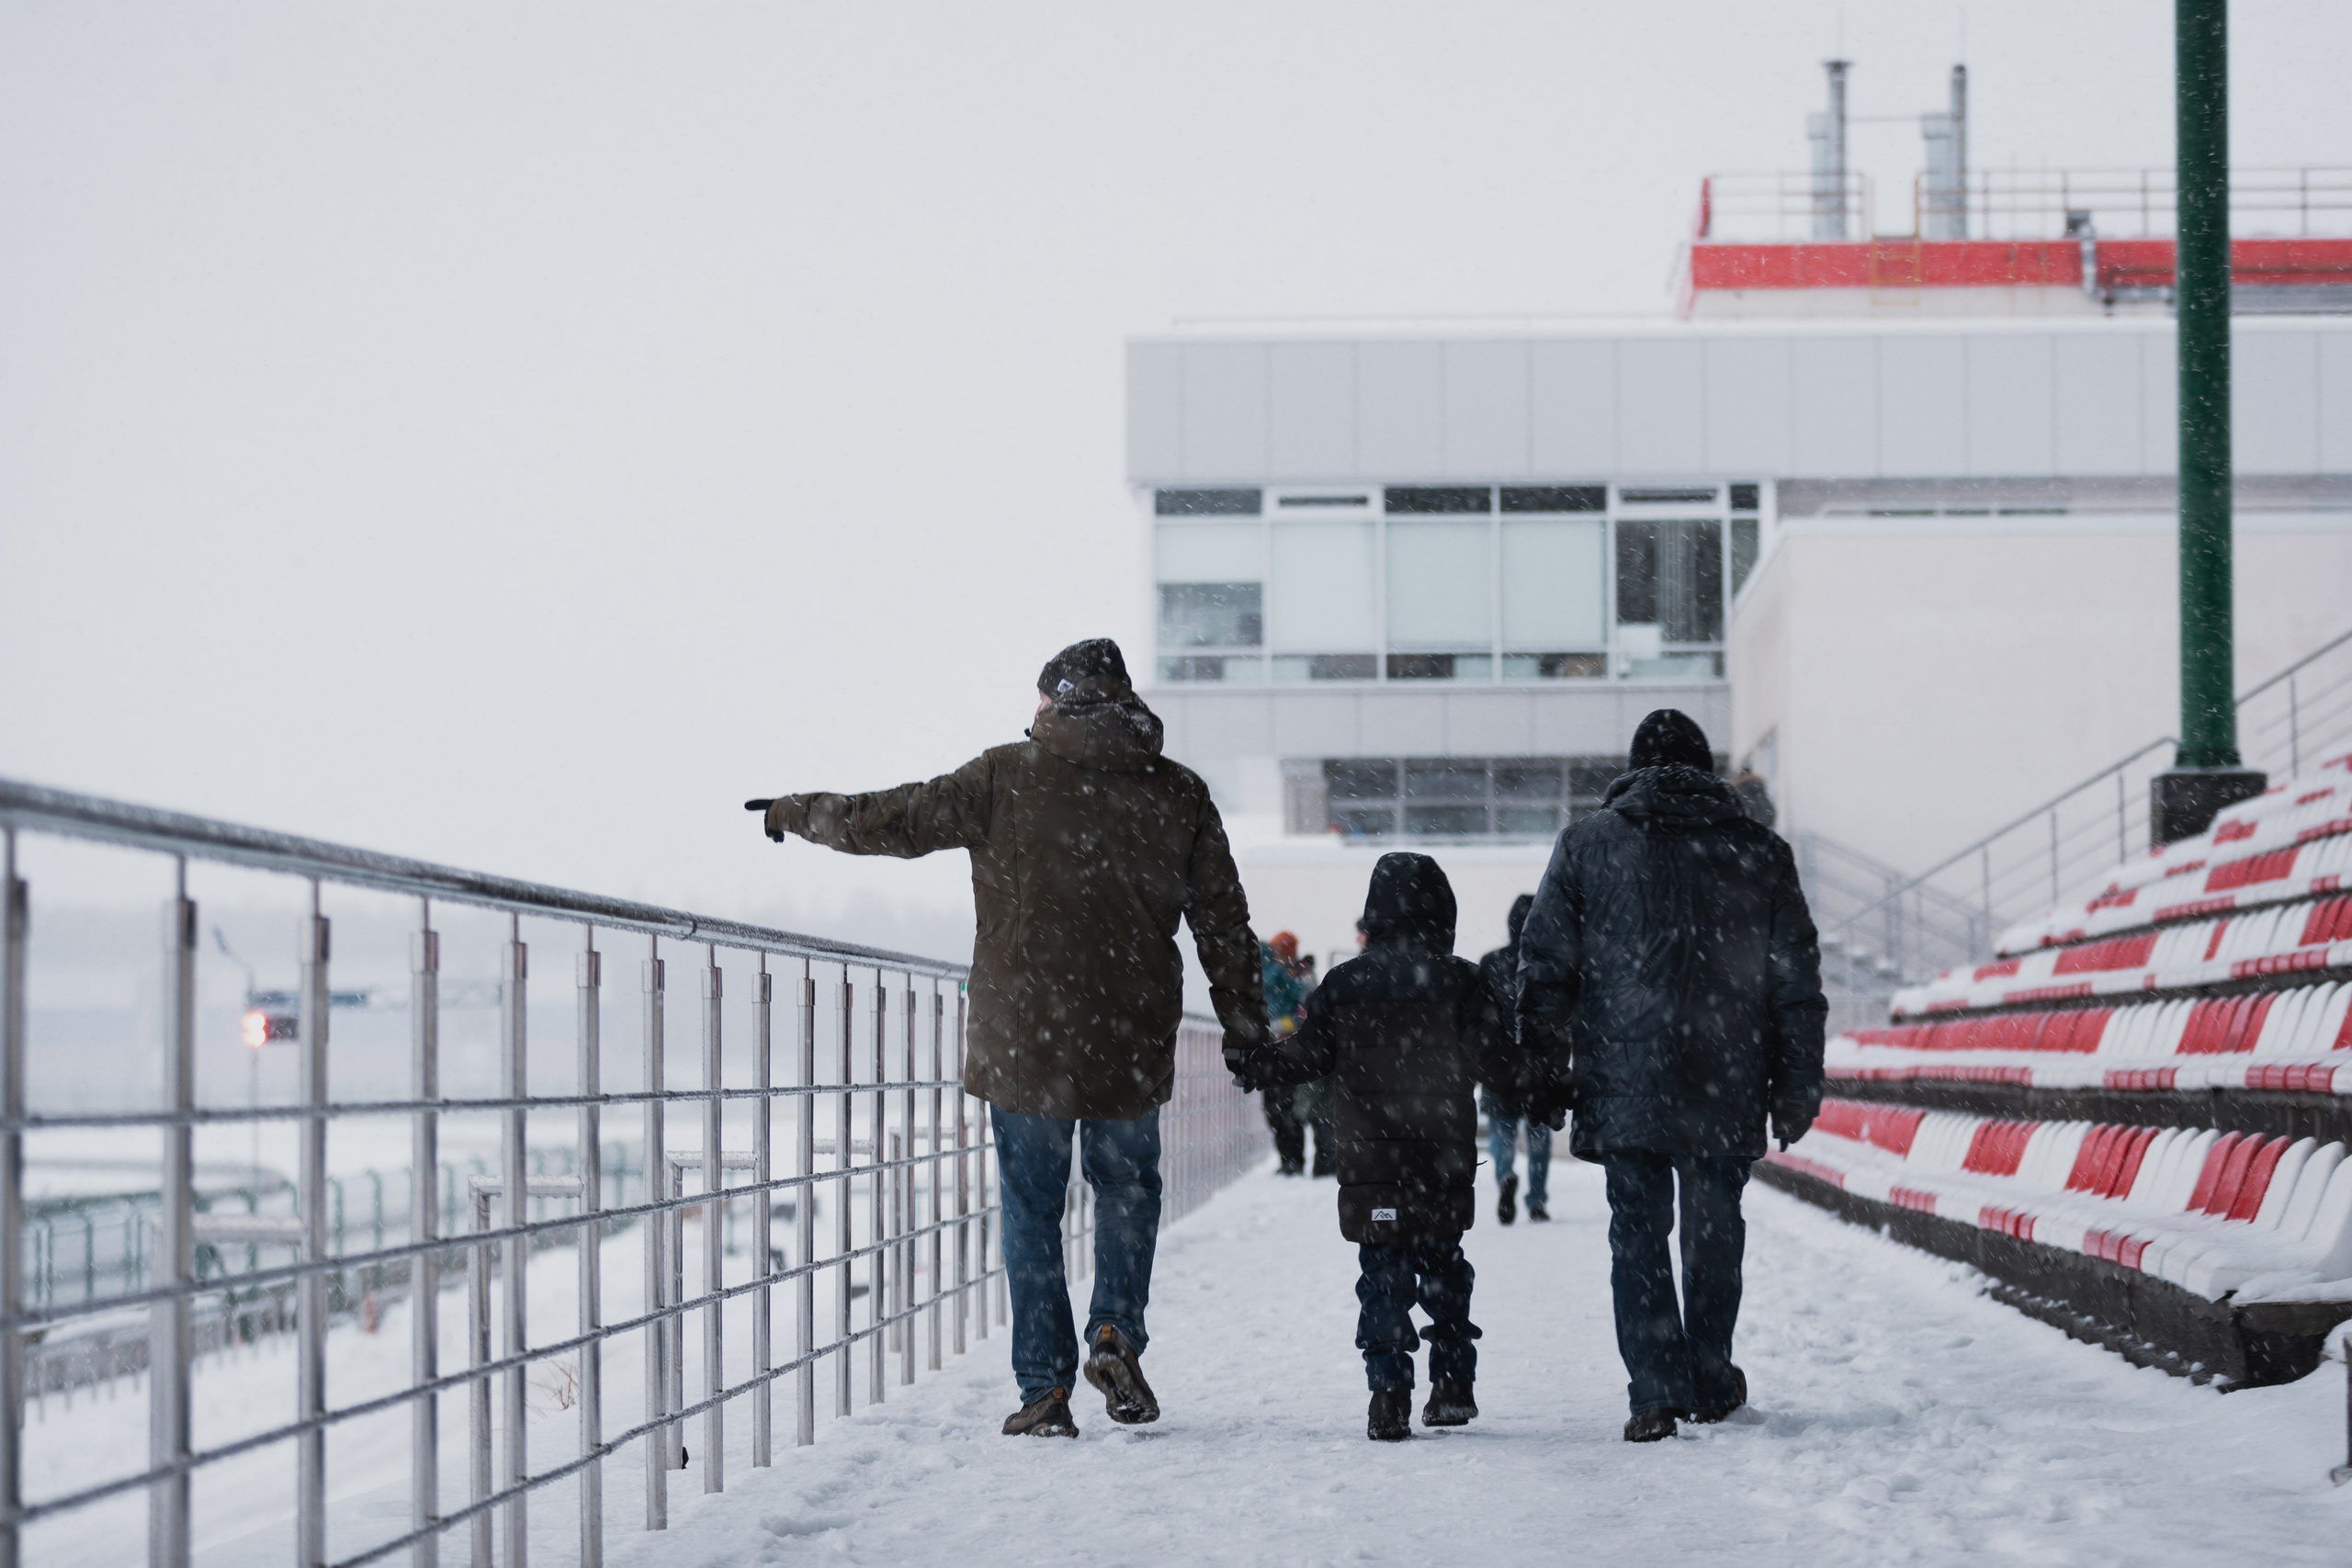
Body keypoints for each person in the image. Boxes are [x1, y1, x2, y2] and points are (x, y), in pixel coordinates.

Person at [746, 638, 1265, 1438]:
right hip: (1130, 1036)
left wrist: (797, 809)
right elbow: (1223, 922)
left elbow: (894, 819)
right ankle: (1115, 1328)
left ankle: (1044, 1389)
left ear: (1057, 700)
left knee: (1031, 1208)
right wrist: (1244, 1025)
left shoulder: (1005, 775)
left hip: (1027, 1040)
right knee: (1128, 1189)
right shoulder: (1179, 793)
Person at [1514, 709, 1826, 1445]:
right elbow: (1795, 981)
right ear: (1706, 768)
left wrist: (1541, 1064)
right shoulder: (1759, 850)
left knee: (1637, 1231)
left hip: (1625, 1073)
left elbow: (1545, 964)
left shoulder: (1588, 844)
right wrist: (1797, 1081)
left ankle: (1653, 1390)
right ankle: (1711, 1376)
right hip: (1727, 1071)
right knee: (1715, 1229)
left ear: (1632, 767)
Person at [1240, 852, 1511, 1442]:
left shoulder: (1345, 983)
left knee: (1382, 1271)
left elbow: (1309, 1057)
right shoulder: (1462, 981)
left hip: (1371, 1167)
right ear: (1442, 910)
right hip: (1441, 1160)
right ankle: (1453, 1386)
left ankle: (1388, 1397)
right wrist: (1543, 1088)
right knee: (1444, 1266)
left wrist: (1259, 1062)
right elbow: (1497, 1060)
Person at [1476, 894, 1549, 1224]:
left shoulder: (1490, 962)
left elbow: (1478, 1016)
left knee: (1501, 1133)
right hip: (1538, 1063)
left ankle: (1505, 1175)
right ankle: (1536, 1200)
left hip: (1499, 1062)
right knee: (1538, 1135)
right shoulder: (1547, 962)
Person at [1261, 931, 1312, 1175]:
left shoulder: (1279, 975)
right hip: (1288, 1050)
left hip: (1276, 1049)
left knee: (1280, 1108)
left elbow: (1303, 1009)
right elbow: (1305, 1007)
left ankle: (1290, 1160)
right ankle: (1291, 1160)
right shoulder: (1291, 975)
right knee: (1284, 1108)